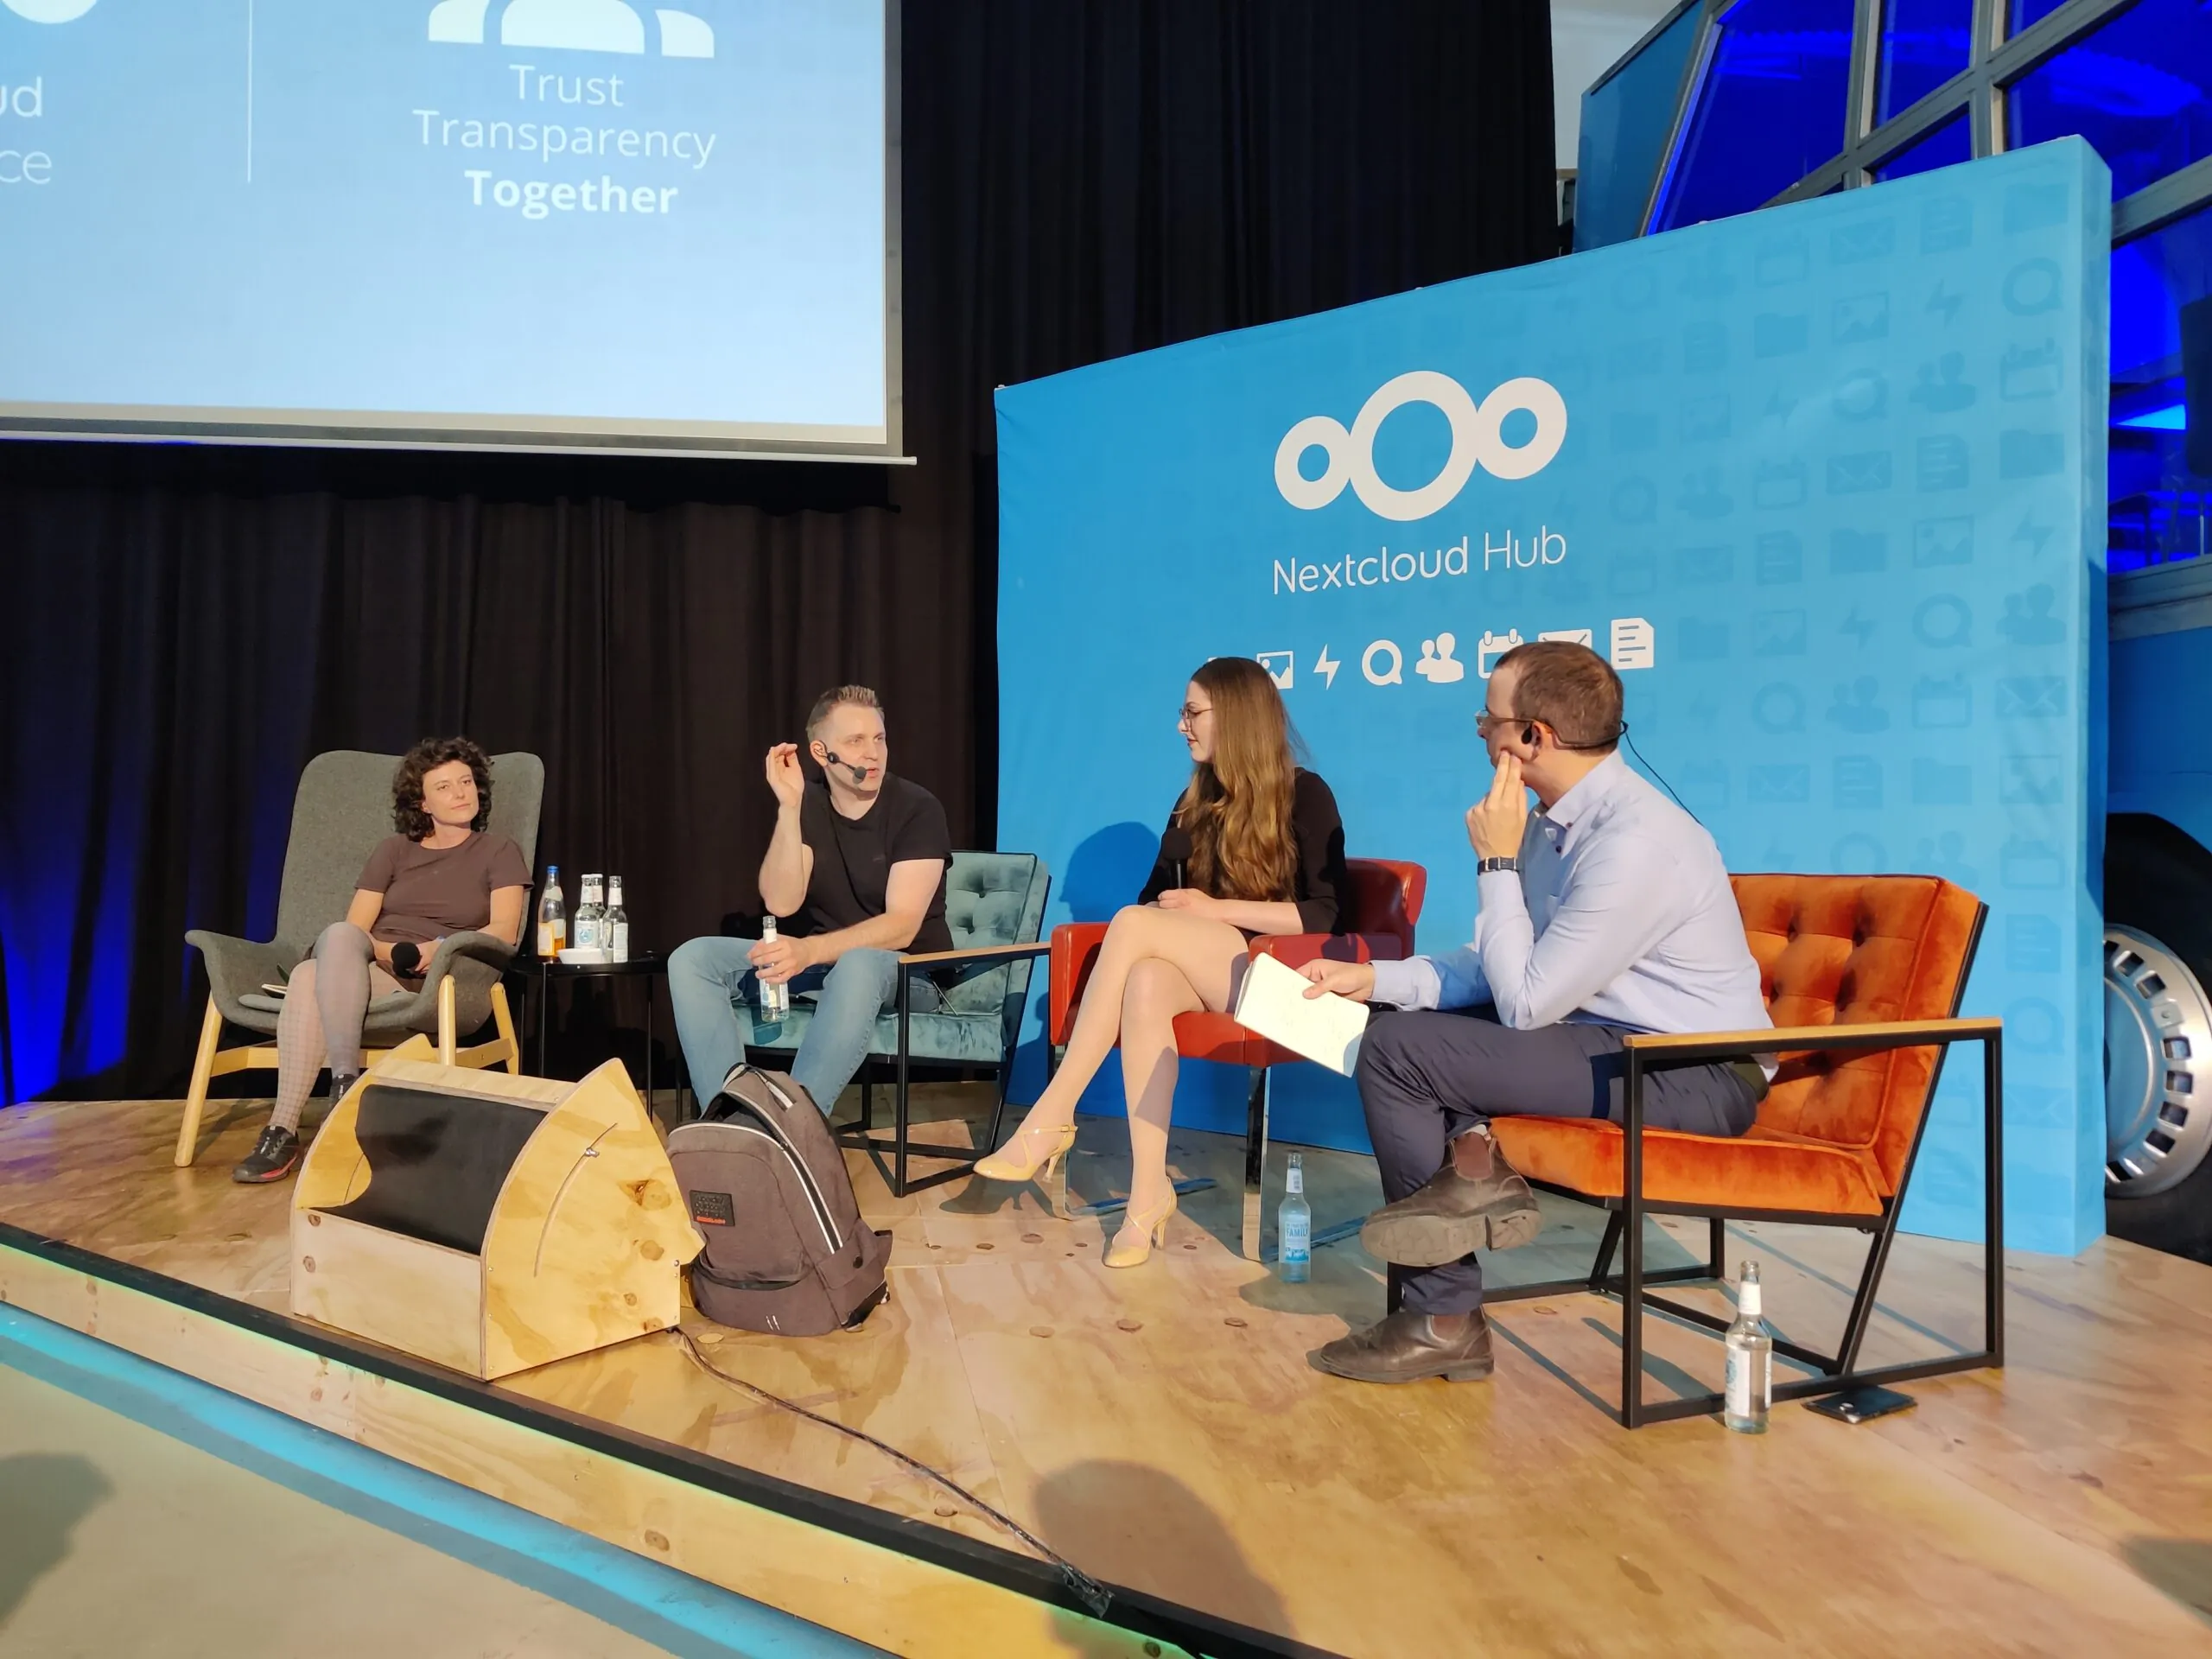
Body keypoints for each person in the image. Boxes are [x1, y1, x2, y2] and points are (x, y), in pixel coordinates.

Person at [1296, 640, 1772, 1384]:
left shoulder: (1639, 843)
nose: (1480, 732)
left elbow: (1523, 1001)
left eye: (1488, 720)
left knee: (1399, 1052)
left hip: (1691, 1069)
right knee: (1389, 1027)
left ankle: (1441, 1316)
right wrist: (1376, 979)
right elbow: (1500, 964)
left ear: (1531, 737)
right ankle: (1475, 1173)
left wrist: (1494, 861)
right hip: (1600, 1039)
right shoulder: (1554, 824)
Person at [973, 656, 1347, 1268]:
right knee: (1145, 979)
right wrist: (1177, 912)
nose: (1181, 726)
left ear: (1236, 715)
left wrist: (1214, 909)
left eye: (1192, 712)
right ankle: (1147, 1197)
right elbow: (1151, 901)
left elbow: (1326, 915)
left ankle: (1052, 1112)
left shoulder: (1305, 794)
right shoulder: (1193, 802)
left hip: (1285, 983)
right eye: (1183, 713)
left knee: (1132, 924)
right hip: (1214, 973)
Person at [234, 737, 530, 1183]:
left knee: (308, 977)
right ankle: (343, 1087)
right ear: (423, 803)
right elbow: (355, 929)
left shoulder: (498, 850)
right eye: (445, 787)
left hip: (435, 975)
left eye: (466, 782)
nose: (460, 793)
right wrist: (385, 950)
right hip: (370, 962)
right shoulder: (393, 851)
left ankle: (283, 1129)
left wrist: (440, 948)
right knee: (332, 943)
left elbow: (504, 930)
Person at [669, 685, 954, 1116]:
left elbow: (902, 925)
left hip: (910, 974)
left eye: (879, 739)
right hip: (828, 967)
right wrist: (789, 807)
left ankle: (791, 1125)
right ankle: (726, 1118)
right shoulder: (810, 805)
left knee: (859, 963)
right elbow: (781, 902)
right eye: (856, 741)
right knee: (694, 958)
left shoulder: (918, 808)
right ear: (822, 753)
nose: (873, 753)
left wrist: (808, 951)